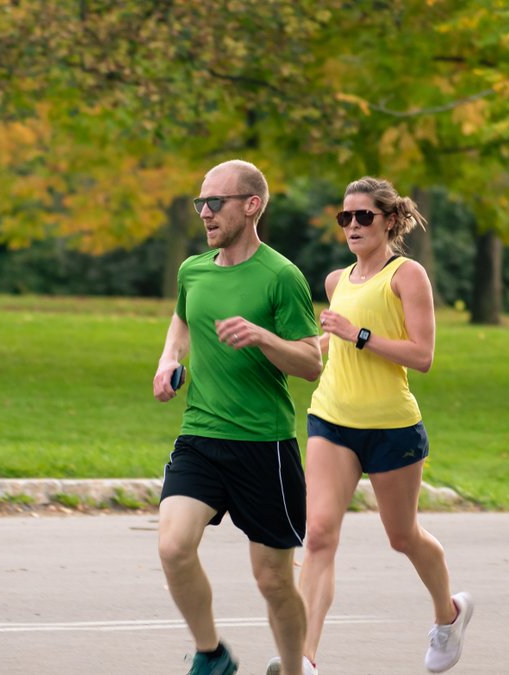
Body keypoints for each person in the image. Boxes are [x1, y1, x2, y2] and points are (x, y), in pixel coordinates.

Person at [267, 177, 472, 675]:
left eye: (364, 216)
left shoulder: (408, 275)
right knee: (317, 536)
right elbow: (330, 345)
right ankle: (306, 660)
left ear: (390, 221)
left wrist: (358, 334)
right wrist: (273, 350)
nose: (353, 225)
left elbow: (422, 356)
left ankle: (449, 615)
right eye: (345, 217)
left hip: (391, 428)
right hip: (331, 418)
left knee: (403, 536)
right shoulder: (337, 281)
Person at [153, 159, 323, 675]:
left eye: (215, 203)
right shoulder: (193, 269)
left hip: (263, 446)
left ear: (251, 206)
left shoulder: (282, 276)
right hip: (200, 436)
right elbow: (182, 319)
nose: (204, 213)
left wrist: (262, 336)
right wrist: (169, 359)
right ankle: (212, 654)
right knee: (173, 546)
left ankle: (296, 669)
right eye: (200, 203)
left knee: (273, 580)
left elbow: (312, 361)